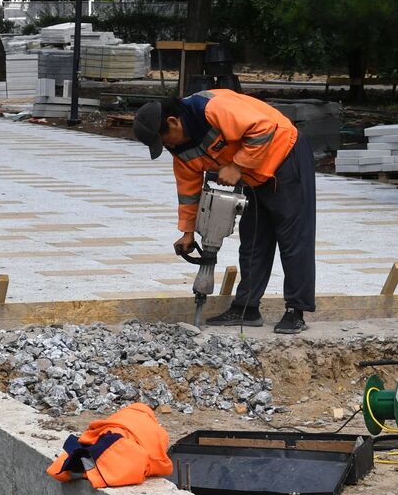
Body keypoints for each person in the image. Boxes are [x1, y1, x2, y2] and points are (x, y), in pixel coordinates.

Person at [132, 89, 316, 334]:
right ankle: (246, 308)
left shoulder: (212, 109)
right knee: (252, 241)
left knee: (293, 238)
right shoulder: (181, 152)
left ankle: (296, 310)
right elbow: (188, 193)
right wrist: (188, 233)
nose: (167, 146)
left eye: (164, 140)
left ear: (173, 121)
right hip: (254, 175)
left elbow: (263, 128)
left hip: (285, 155)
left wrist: (237, 166)